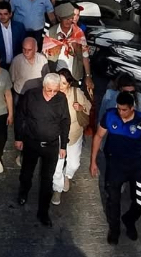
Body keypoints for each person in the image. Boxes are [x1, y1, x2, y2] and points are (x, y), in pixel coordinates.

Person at [90, 90, 141, 244]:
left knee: (140, 202)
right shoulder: (110, 116)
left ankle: (129, 220)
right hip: (115, 166)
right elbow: (98, 136)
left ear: (132, 108)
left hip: (136, 167)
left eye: (124, 109)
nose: (120, 112)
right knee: (113, 201)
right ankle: (114, 230)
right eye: (119, 108)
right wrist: (93, 161)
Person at [15, 72, 70, 226]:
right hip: (31, 143)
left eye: (55, 90)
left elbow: (65, 122)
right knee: (26, 172)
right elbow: (20, 116)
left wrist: (63, 146)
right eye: (49, 90)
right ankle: (23, 192)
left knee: (47, 180)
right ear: (43, 86)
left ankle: (43, 212)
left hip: (51, 146)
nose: (52, 94)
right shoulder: (30, 95)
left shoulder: (61, 99)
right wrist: (18, 137)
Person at [51, 70, 92, 205]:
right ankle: (57, 189)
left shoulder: (76, 93)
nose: (60, 86)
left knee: (74, 164)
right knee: (57, 164)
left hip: (74, 135)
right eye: (59, 82)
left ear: (69, 84)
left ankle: (67, 176)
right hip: (57, 136)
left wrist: (80, 108)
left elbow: (89, 106)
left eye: (64, 83)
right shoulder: (52, 93)